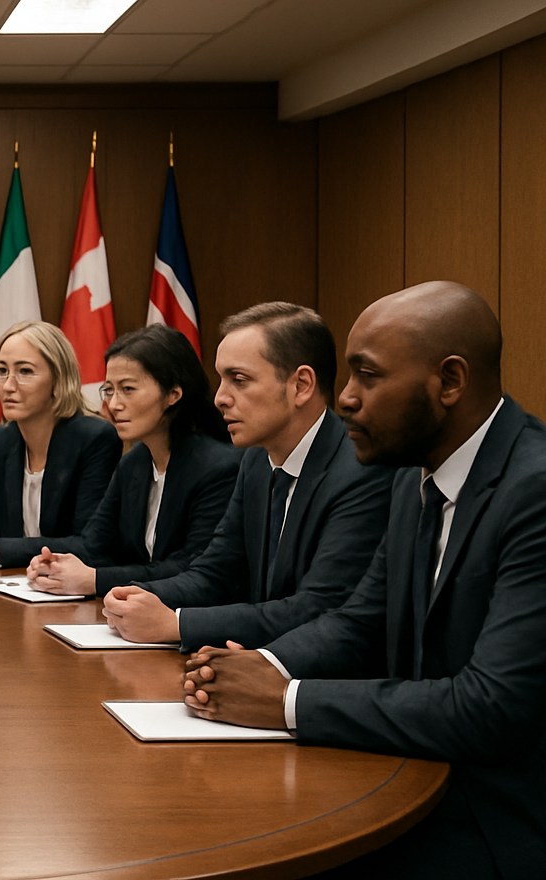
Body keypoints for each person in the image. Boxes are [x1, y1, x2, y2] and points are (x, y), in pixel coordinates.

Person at [182, 282, 546, 879]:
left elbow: (491, 706)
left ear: (449, 382)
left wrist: (288, 700)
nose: (345, 399)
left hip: (495, 819)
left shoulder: (532, 490)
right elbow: (362, 619)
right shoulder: (413, 475)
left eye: (367, 376)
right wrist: (255, 668)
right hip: (412, 771)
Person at [103, 303, 393, 649]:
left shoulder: (360, 470)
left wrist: (177, 623)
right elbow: (215, 573)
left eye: (239, 380)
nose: (220, 398)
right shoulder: (255, 459)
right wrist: (134, 595)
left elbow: (317, 608)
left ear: (301, 385)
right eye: (221, 379)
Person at [29, 324, 240, 597]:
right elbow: (95, 545)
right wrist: (55, 563)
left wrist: (96, 579)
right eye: (109, 390)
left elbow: (194, 567)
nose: (114, 404)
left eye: (127, 389)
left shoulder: (219, 467)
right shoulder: (134, 462)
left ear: (174, 394)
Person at [0, 321, 120, 567]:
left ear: (59, 379)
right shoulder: (2, 440)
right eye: (1, 371)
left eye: (25, 372)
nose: (8, 386)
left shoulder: (95, 438)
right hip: (16, 587)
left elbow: (90, 543)